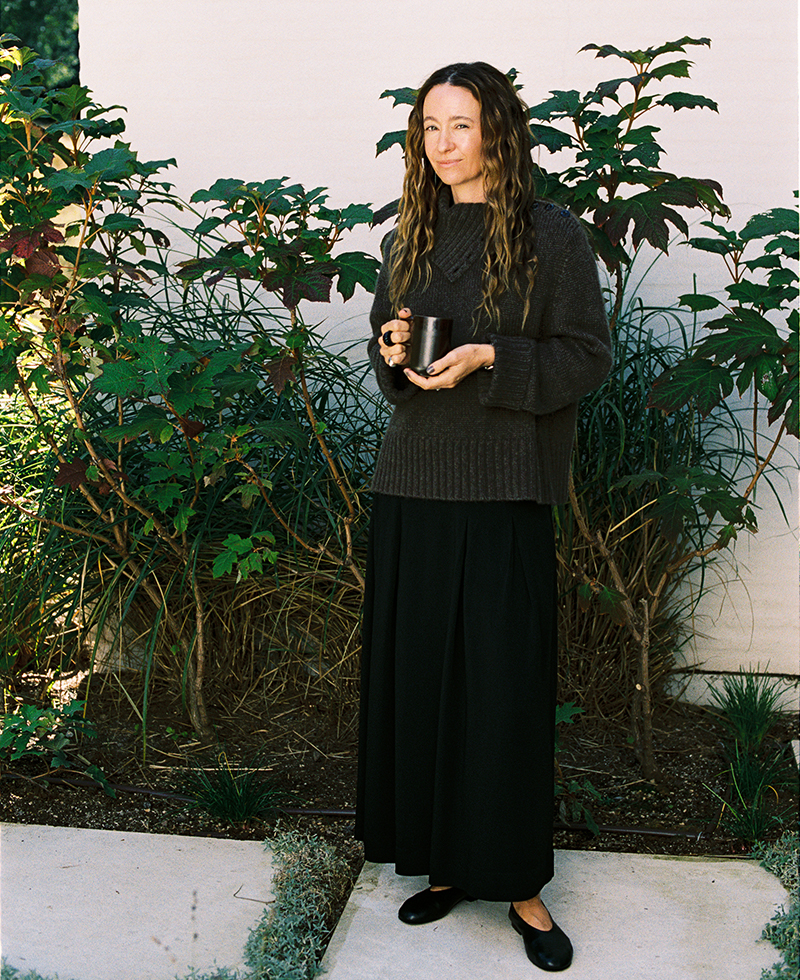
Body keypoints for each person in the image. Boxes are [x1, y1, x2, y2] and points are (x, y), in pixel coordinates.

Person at [355, 61, 612, 972]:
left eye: (460, 125)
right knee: (422, 684)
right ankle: (443, 864)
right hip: (415, 482)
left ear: (499, 131)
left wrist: (487, 358)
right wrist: (393, 351)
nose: (443, 144)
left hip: (505, 487)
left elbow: (586, 356)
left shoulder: (552, 237)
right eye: (430, 127)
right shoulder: (410, 234)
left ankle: (519, 884)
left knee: (500, 693)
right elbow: (391, 354)